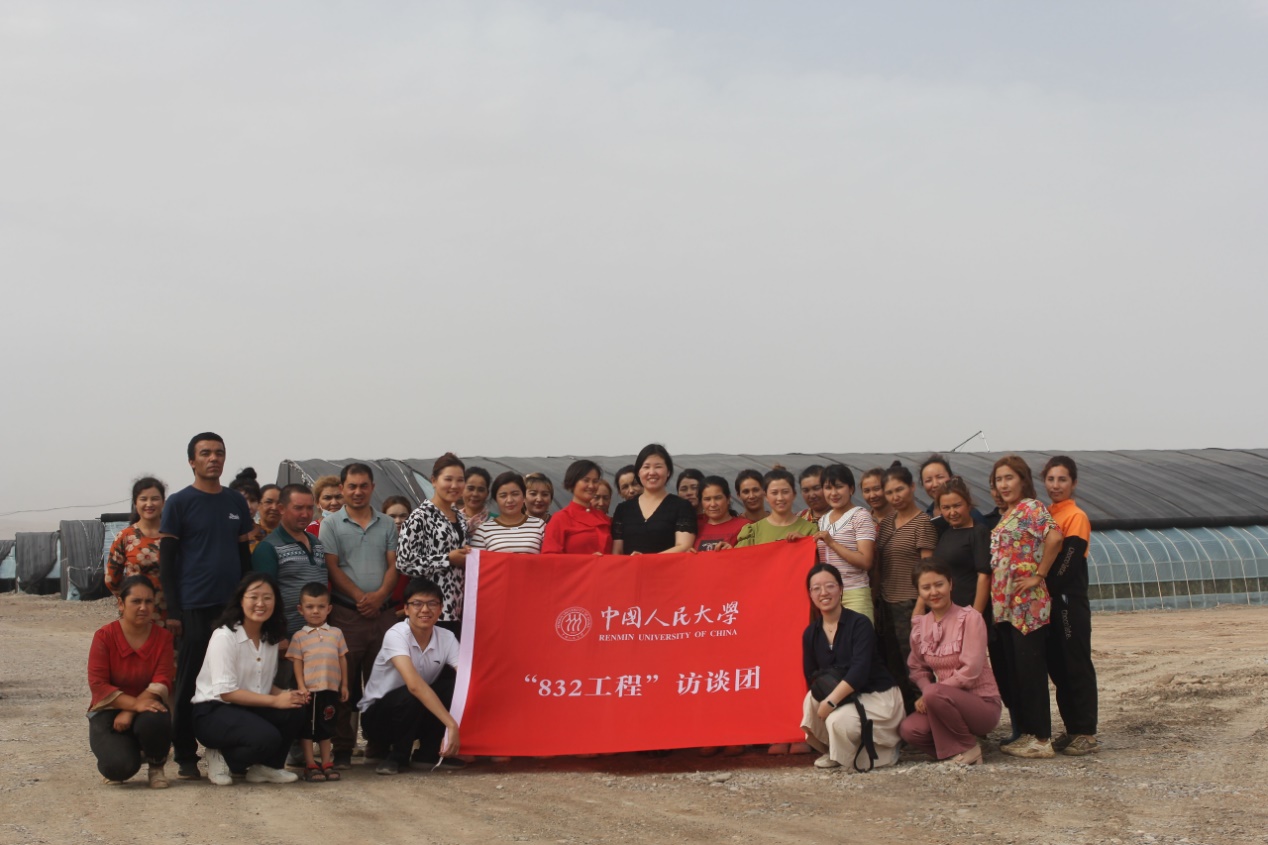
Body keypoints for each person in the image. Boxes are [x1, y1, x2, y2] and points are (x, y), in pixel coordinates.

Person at [158, 431, 255, 780]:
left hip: (231, 608)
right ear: (192, 461)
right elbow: (167, 563)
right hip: (194, 606)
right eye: (205, 453)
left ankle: (229, 750)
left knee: (231, 679)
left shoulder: (235, 502)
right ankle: (186, 755)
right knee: (190, 681)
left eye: (219, 452)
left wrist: (247, 603)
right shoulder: (179, 503)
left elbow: (244, 558)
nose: (213, 458)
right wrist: (173, 611)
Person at [318, 463, 400, 768]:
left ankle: (378, 744)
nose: (357, 491)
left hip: (382, 615)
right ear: (342, 489)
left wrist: (379, 597)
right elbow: (332, 566)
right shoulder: (331, 525)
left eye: (364, 485)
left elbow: (393, 564)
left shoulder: (386, 524)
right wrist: (360, 598)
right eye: (351, 486)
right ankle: (342, 747)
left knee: (384, 681)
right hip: (346, 615)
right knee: (344, 683)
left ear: (372, 488)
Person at [191, 572, 306, 785]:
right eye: (253, 597)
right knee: (267, 737)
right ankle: (221, 756)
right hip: (213, 710)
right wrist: (275, 701)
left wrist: (286, 695)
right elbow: (226, 692)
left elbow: (261, 683)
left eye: (267, 598)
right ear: (241, 600)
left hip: (248, 706)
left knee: (295, 709)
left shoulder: (269, 638)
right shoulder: (225, 636)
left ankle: (268, 768)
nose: (260, 603)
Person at [990, 454, 1063, 759]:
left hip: (1026, 606)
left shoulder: (1031, 507)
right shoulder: (1007, 513)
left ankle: (1042, 739)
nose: (1004, 484)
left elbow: (1055, 538)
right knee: (1016, 672)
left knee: (1031, 671)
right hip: (1005, 606)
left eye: (1009, 478)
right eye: (999, 479)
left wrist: (1039, 574)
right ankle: (1028, 733)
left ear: (1023, 480)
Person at [801, 563, 904, 771]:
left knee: (837, 721)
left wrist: (832, 700)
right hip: (846, 695)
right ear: (810, 594)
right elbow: (811, 674)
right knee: (811, 699)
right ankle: (835, 752)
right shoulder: (811, 633)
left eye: (830, 586)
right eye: (816, 588)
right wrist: (830, 691)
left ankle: (882, 752)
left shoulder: (860, 623)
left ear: (840, 589)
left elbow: (860, 671)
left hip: (876, 695)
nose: (824, 592)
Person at [899, 560, 1001, 765]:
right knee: (910, 730)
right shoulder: (921, 625)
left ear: (951, 584)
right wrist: (928, 690)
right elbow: (917, 667)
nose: (934, 592)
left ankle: (969, 748)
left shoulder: (970, 618)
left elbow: (970, 671)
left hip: (982, 704)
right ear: (919, 592)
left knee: (933, 693)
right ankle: (954, 752)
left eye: (939, 584)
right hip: (942, 701)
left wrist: (931, 693)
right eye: (926, 587)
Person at [359, 577, 462, 775]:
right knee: (411, 692)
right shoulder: (396, 634)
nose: (425, 610)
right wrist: (451, 724)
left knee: (453, 687)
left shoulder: (447, 637)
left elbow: (466, 678)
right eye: (417, 604)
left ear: (441, 609)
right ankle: (397, 755)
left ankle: (428, 753)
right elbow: (414, 685)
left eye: (432, 604)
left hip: (414, 713)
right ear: (406, 609)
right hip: (379, 718)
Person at [87, 576, 175, 788]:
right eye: (136, 601)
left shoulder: (163, 637)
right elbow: (98, 684)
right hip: (108, 710)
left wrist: (131, 710)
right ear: (121, 603)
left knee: (155, 718)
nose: (143, 607)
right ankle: (129, 753)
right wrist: (134, 705)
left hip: (147, 708)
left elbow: (162, 680)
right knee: (118, 768)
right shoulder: (104, 636)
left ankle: (156, 764)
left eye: (148, 601)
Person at [1042, 455, 1099, 757]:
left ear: (1073, 483)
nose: (1056, 485)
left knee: (1076, 664)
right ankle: (1072, 728)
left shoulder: (1076, 516)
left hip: (1068, 601)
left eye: (1062, 479)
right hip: (1050, 600)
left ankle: (1086, 732)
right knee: (1058, 668)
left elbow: (1069, 561)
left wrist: (1043, 584)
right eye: (1051, 479)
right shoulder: (1047, 514)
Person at [874, 461, 938, 713]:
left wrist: (920, 606)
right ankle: (907, 720)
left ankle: (929, 719)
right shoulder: (887, 523)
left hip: (911, 603)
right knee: (894, 666)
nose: (895, 496)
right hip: (887, 603)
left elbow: (927, 568)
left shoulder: (922, 522)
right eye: (889, 492)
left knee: (917, 666)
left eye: (899, 489)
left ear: (912, 487)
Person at [397, 453, 471, 636]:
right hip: (430, 611)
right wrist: (447, 559)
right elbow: (404, 563)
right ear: (434, 481)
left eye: (460, 480)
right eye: (448, 479)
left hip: (457, 610)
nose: (454, 485)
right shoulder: (420, 517)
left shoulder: (460, 517)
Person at [286, 582, 349, 782]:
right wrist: (301, 686)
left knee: (327, 728)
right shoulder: (299, 637)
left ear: (329, 609)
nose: (315, 611)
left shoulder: (336, 633)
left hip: (330, 689)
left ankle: (327, 763)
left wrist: (344, 685)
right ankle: (310, 764)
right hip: (310, 690)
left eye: (321, 607)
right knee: (307, 728)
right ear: (301, 609)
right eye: (310, 607)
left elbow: (342, 659)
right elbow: (297, 663)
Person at [251, 484, 328, 639]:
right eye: (298, 508)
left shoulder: (316, 542)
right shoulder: (268, 548)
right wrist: (277, 636)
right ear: (281, 508)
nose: (305, 514)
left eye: (309, 508)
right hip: (287, 638)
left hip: (318, 637)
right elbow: (262, 597)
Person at [813, 464, 876, 622]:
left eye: (839, 487)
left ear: (851, 489)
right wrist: (801, 542)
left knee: (858, 637)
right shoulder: (823, 520)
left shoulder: (861, 516)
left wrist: (832, 543)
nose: (833, 493)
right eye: (828, 488)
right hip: (828, 596)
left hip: (854, 593)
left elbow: (866, 561)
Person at [611, 444, 697, 555]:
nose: (652, 472)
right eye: (646, 467)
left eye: (658, 467)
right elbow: (617, 552)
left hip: (669, 566)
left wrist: (646, 560)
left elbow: (684, 546)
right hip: (631, 566)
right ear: (638, 472)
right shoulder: (623, 509)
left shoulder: (682, 506)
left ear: (668, 471)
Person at [105, 477, 167, 621]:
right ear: (135, 503)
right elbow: (111, 579)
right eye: (143, 499)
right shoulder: (125, 537)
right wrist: (129, 600)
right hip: (135, 616)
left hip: (169, 615)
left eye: (155, 499)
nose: (149, 504)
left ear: (163, 502)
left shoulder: (173, 536)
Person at [931, 477, 991, 614]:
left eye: (957, 505)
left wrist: (975, 615)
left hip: (968, 610)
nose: (952, 513)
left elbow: (984, 577)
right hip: (948, 611)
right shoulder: (946, 532)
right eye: (946, 508)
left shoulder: (978, 532)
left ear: (968, 504)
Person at [542, 460, 613, 555]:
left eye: (595, 481)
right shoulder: (560, 519)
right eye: (586, 480)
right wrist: (586, 561)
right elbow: (550, 558)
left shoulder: (604, 519)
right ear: (572, 483)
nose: (591, 486)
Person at [734, 467, 817, 547]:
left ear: (794, 494)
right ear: (765, 496)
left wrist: (805, 543)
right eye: (774, 493)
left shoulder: (810, 529)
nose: (780, 498)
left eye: (785, 492)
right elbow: (740, 555)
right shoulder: (753, 532)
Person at [469, 473, 547, 554]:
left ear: (524, 496)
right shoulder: (483, 530)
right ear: (496, 499)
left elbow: (549, 557)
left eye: (515, 494)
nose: (509, 500)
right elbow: (477, 560)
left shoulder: (539, 525)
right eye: (503, 496)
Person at [920, 454, 984, 535]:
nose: (935, 484)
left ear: (951, 478)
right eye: (928, 480)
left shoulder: (971, 515)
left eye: (940, 477)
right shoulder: (927, 515)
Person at [694, 477, 749, 551]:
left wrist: (733, 552)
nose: (713, 504)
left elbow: (752, 555)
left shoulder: (745, 527)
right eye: (707, 499)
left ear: (728, 499)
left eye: (718, 498)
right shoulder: (694, 527)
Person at [249, 484, 282, 551]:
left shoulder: (292, 536)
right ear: (258, 505)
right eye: (268, 502)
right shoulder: (248, 537)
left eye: (279, 503)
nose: (274, 507)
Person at [460, 467, 492, 533]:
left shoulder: (497, 522)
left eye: (481, 490)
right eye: (470, 488)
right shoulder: (451, 520)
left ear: (487, 493)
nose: (475, 494)